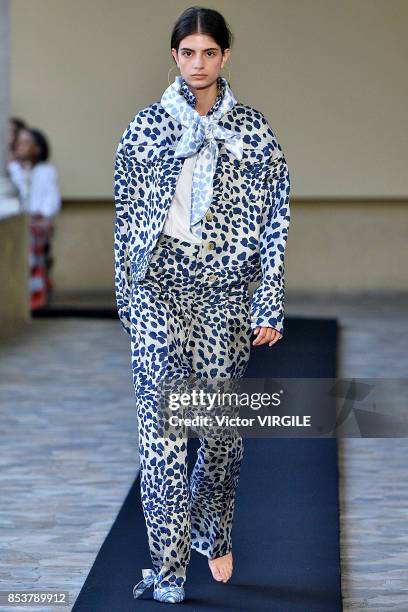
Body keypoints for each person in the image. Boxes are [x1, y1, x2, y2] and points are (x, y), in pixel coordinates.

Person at [113, 6, 291, 604]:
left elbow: (275, 219)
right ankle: (166, 568)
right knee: (162, 435)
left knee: (218, 435)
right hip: (158, 292)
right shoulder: (144, 128)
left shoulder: (254, 131)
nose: (197, 64)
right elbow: (127, 219)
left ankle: (212, 531)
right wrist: (129, 304)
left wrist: (266, 299)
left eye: (208, 53)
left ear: (225, 57)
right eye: (187, 53)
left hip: (224, 296)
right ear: (174, 56)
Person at [7, 127, 61, 308]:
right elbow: (20, 196)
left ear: (37, 149)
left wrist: (41, 215)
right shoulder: (14, 169)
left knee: (35, 244)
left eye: (25, 143)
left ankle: (37, 293)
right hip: (24, 222)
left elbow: (51, 200)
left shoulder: (47, 171)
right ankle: (33, 291)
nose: (20, 146)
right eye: (18, 143)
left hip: (39, 221)